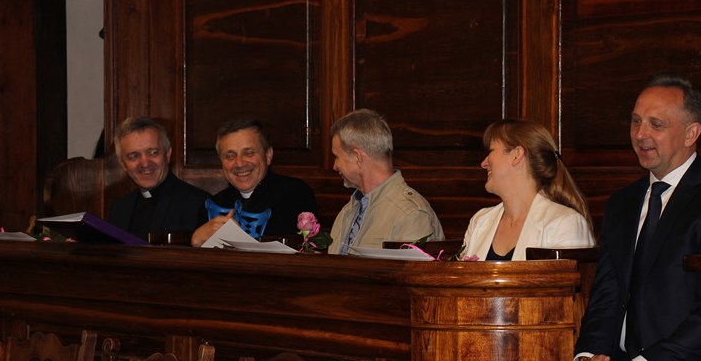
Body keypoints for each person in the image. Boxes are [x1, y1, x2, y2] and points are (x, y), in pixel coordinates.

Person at [574, 73, 701, 361]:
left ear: (691, 133)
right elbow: (606, 297)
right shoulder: (622, 203)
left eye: (655, 125)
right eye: (635, 121)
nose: (640, 134)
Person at [461, 118, 595, 261]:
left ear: (517, 155)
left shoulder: (564, 224)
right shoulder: (480, 221)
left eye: (491, 151)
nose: (483, 163)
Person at [327, 109, 444, 254]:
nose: (334, 166)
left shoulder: (410, 214)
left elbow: (410, 269)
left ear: (358, 157)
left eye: (336, 156)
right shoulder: (348, 211)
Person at [191, 120, 316, 246]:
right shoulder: (211, 205)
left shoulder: (295, 195)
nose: (239, 163)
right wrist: (195, 242)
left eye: (249, 153)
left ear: (268, 155)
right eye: (230, 156)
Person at [107, 116, 209, 240]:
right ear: (123, 164)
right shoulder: (119, 209)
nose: (145, 163)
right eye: (133, 156)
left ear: (168, 154)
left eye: (153, 152)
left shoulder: (200, 204)